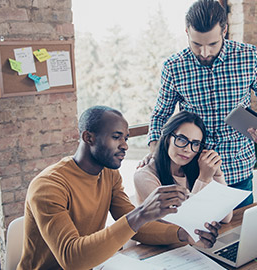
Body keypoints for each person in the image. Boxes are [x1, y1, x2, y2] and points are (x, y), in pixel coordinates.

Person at [17, 106, 220, 270]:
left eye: (126, 138)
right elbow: (72, 260)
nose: (125, 146)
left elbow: (137, 229)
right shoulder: (48, 186)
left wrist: (184, 235)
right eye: (116, 137)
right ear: (89, 138)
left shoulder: (109, 174)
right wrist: (141, 213)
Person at [142, 0, 257, 208]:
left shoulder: (250, 57)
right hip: (196, 174)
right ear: (187, 32)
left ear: (224, 31)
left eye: (212, 44)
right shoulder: (174, 67)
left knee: (240, 233)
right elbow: (160, 116)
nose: (204, 53)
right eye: (197, 44)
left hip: (239, 171)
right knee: (197, 235)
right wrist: (155, 156)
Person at [134, 111, 232, 223]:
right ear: (167, 138)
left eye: (195, 144)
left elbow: (225, 218)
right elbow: (183, 224)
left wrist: (217, 175)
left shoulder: (193, 169)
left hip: (197, 239)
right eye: (181, 139)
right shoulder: (144, 176)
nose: (187, 149)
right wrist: (203, 179)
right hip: (165, 240)